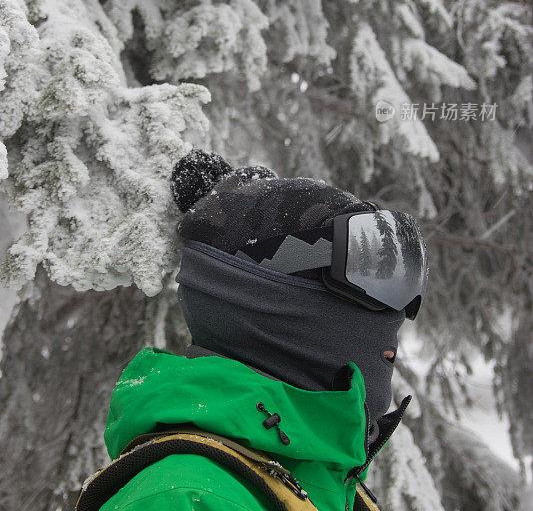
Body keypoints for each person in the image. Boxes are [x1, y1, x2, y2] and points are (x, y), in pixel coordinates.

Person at [76, 150, 428, 511]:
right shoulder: (187, 497)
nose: (398, 312)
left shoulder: (331, 487)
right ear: (262, 297)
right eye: (370, 274)